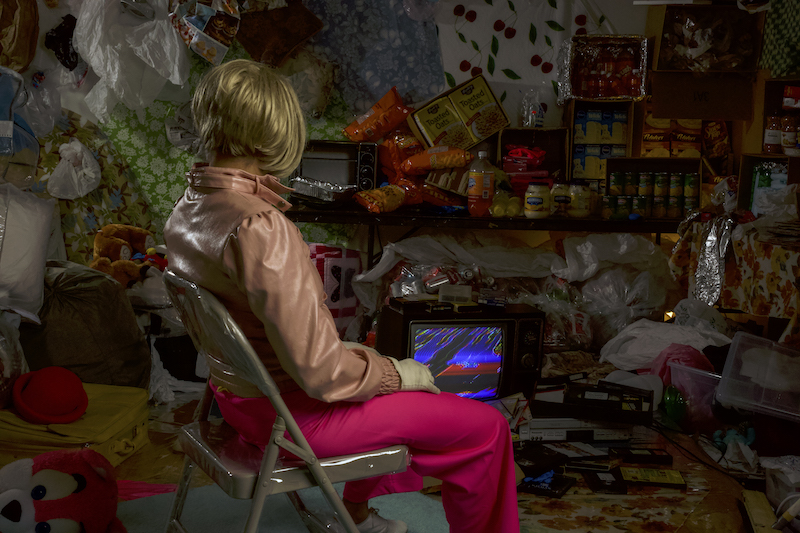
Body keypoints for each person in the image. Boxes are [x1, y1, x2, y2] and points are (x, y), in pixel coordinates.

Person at [163, 59, 520, 533]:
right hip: (295, 419)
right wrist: (397, 375)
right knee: (487, 428)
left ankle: (354, 514)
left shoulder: (187, 209)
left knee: (373, 367)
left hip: (238, 403)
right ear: (274, 132)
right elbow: (323, 376)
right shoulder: (260, 225)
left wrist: (375, 367)